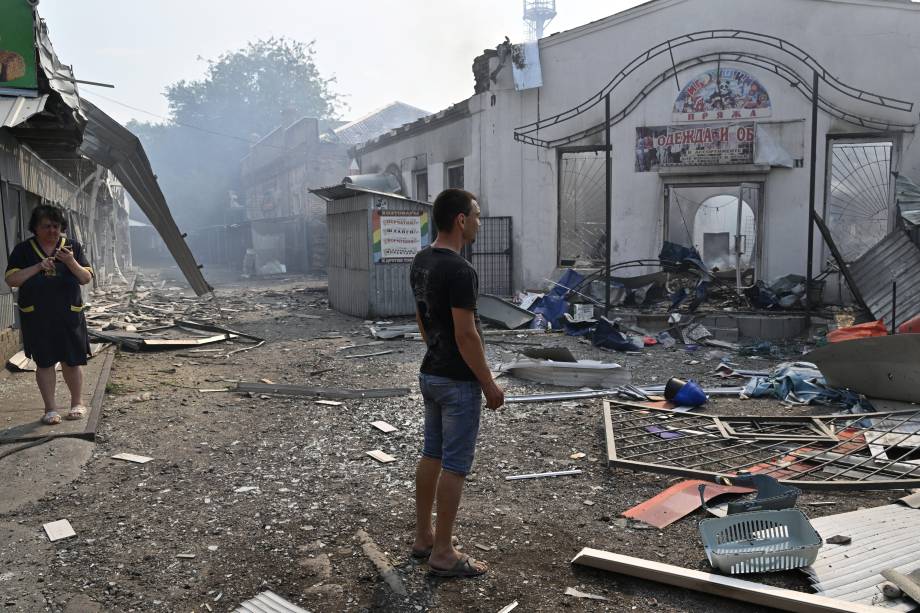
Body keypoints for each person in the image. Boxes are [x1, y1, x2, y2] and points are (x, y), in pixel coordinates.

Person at [409, 188, 505, 578]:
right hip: (457, 381)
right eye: (477, 215)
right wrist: (489, 384)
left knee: (432, 454)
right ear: (461, 220)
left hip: (430, 372)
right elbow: (468, 335)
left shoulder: (421, 261)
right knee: (455, 465)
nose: (479, 222)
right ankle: (444, 553)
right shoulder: (461, 270)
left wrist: (437, 350)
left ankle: (424, 537)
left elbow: (421, 318)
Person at [4, 204, 94, 425]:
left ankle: (77, 403)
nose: (53, 231)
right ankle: (50, 409)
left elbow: (85, 278)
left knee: (71, 362)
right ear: (35, 228)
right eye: (47, 226)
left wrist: (70, 261)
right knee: (44, 362)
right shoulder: (23, 250)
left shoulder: (72, 247)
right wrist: (37, 267)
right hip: (38, 317)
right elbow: (12, 280)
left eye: (56, 226)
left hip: (68, 315)